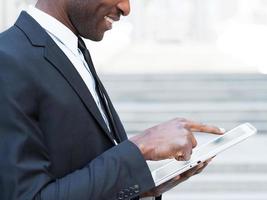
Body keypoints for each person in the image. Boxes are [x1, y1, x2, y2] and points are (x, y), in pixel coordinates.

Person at [0, 0, 224, 199]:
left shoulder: (72, 48)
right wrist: (141, 147)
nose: (126, 8)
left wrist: (142, 187)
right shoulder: (7, 59)